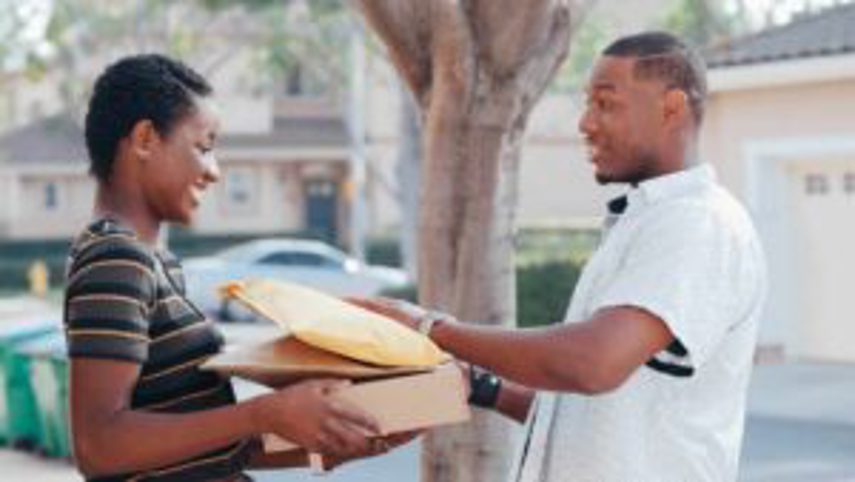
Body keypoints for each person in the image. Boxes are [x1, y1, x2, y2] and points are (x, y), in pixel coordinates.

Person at [354, 31, 768, 482]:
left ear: (672, 108)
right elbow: (593, 415)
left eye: (606, 104)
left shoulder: (697, 223)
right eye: (587, 104)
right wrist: (484, 388)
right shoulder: (647, 221)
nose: (585, 124)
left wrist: (429, 328)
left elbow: (592, 365)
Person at [64, 54, 393, 482]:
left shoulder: (150, 262)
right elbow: (100, 446)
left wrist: (325, 436)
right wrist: (263, 413)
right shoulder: (116, 258)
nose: (214, 172)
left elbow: (200, 449)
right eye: (204, 147)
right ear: (145, 139)